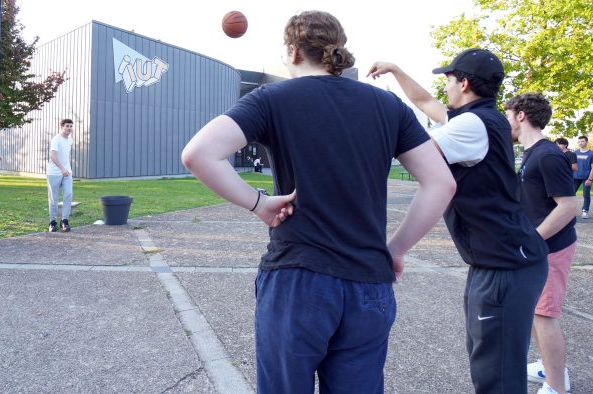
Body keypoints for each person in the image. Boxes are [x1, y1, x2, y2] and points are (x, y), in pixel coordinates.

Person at [182, 10, 456, 393]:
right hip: (368, 283)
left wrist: (259, 203)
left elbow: (198, 154)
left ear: (293, 51)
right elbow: (441, 184)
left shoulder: (271, 99)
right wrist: (395, 248)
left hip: (298, 279)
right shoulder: (388, 106)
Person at [369, 49, 549, 393]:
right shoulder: (482, 118)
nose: (445, 88)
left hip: (505, 265)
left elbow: (412, 153)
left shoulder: (470, 126)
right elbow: (424, 101)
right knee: (491, 363)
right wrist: (396, 69)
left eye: (449, 80)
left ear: (464, 83)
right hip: (501, 260)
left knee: (497, 375)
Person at [507, 93, 578, 394]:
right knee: (535, 312)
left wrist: (532, 240)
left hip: (551, 248)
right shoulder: (533, 153)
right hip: (539, 250)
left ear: (520, 115)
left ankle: (557, 386)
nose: (505, 119)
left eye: (507, 113)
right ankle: (550, 368)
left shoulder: (547, 155)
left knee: (544, 316)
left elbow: (568, 206)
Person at [47, 119, 74, 232]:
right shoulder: (56, 139)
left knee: (68, 194)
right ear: (62, 127)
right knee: (54, 198)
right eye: (67, 126)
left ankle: (64, 221)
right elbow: (53, 156)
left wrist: (66, 169)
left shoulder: (70, 140)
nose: (69, 128)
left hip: (67, 173)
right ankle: (52, 222)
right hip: (54, 173)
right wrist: (62, 169)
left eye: (71, 126)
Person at [573, 135, 593, 218]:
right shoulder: (575, 153)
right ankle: (570, 211)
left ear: (586, 142)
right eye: (579, 141)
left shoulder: (591, 154)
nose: (580, 143)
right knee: (570, 194)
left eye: (582, 141)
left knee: (586, 195)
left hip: (586, 178)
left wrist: (590, 179)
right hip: (575, 178)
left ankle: (585, 211)